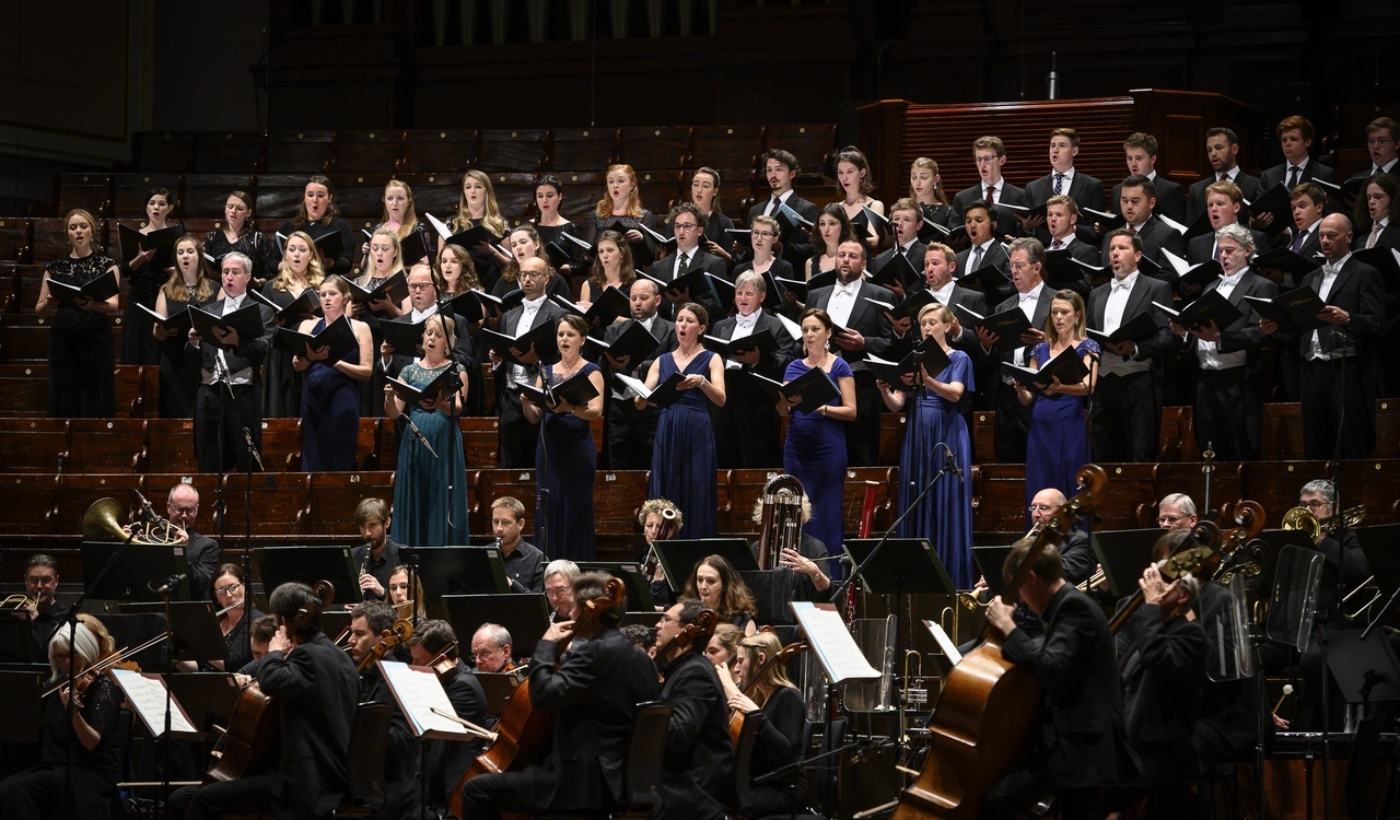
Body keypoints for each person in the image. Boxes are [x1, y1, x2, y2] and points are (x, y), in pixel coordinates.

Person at [458, 571, 662, 819]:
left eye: (574, 607)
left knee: (476, 790)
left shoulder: (593, 653)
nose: (570, 614)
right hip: (624, 780)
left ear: (588, 610)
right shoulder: (642, 659)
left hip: (582, 783)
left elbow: (543, 696)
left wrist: (546, 646)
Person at [171, 581, 359, 820]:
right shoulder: (339, 657)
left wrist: (274, 653)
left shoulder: (307, 654)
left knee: (206, 798)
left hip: (306, 781)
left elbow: (271, 681)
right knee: (193, 796)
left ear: (283, 621)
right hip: (332, 774)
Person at [981, 541, 1137, 820]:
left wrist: (1008, 626)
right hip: (1070, 741)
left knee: (999, 800)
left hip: (1085, 747)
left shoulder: (1073, 607)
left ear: (1030, 578)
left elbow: (1052, 668)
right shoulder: (1063, 606)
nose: (1021, 600)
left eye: (1019, 590)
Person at [1260, 213, 1385, 459]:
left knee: (1351, 440)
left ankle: (1352, 496)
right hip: (1312, 369)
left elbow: (1377, 323)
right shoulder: (1311, 277)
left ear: (1348, 237)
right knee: (1316, 443)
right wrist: (1275, 328)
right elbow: (1300, 327)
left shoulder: (1364, 273)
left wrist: (1347, 317)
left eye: (1332, 236)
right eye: (1321, 236)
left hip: (1346, 368)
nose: (1325, 241)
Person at [878, 303, 975, 588]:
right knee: (917, 495)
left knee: (946, 500)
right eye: (923, 324)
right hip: (918, 433)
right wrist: (886, 389)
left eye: (933, 322)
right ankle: (916, 578)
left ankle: (950, 577)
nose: (927, 328)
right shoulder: (914, 359)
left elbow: (956, 394)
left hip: (947, 432)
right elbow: (897, 404)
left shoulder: (959, 357)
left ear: (947, 325)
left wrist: (927, 380)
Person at [1170, 224, 1277, 461]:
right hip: (1206, 381)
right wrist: (1184, 332)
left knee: (1239, 447)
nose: (1224, 256)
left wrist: (1220, 338)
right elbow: (1200, 330)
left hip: (1237, 381)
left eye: (1230, 250)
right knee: (1210, 449)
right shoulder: (1212, 286)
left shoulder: (1261, 285)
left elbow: (1262, 333)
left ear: (1248, 251)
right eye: (1220, 251)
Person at [0, 622, 122, 818]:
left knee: (14, 791)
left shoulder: (103, 686)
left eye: (71, 655)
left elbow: (91, 743)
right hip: (55, 767)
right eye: (60, 657)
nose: (66, 662)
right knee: (5, 788)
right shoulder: (57, 684)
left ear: (86, 649)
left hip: (89, 773)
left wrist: (73, 713)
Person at [1118, 565, 1207, 818]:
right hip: (1137, 751)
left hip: (1162, 759)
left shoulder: (1191, 634)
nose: (1153, 586)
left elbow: (1156, 657)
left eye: (1165, 583)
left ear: (1183, 596)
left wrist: (1151, 609)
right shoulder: (1153, 633)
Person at [520, 315, 604, 561]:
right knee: (548, 506)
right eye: (561, 335)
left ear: (583, 339)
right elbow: (534, 417)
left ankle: (576, 567)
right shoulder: (546, 371)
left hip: (577, 448)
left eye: (570, 335)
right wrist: (526, 402)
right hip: (549, 448)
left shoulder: (592, 370)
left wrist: (568, 408)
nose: (564, 339)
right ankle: (547, 568)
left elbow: (596, 411)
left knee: (574, 508)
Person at [805, 240, 896, 466]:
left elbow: (892, 343)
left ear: (863, 264)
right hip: (822, 381)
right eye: (841, 255)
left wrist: (864, 343)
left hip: (862, 383)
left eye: (852, 256)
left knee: (861, 449)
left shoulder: (882, 295)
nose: (845, 259)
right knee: (822, 449)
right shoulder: (816, 295)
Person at [1088, 229, 1175, 463]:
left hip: (1138, 383)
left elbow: (1167, 336)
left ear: (1138, 255)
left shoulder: (1157, 288)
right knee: (1105, 452)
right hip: (1104, 384)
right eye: (1112, 248)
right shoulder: (1097, 293)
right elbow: (1089, 333)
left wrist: (1136, 348)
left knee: (1139, 452)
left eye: (1122, 248)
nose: (1115, 253)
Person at [641, 302, 726, 538]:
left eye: (689, 321)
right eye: (679, 320)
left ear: (701, 328)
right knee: (666, 488)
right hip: (668, 427)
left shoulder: (712, 358)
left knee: (696, 488)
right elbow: (642, 399)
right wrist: (638, 394)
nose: (682, 325)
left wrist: (702, 382)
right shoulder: (662, 360)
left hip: (697, 428)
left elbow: (721, 399)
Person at [385, 313, 469, 546]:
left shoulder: (456, 369)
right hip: (414, 438)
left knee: (443, 495)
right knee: (415, 495)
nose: (431, 338)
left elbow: (458, 407)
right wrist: (390, 398)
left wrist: (440, 403)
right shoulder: (409, 372)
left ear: (448, 343)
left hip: (445, 439)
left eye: (438, 335)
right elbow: (394, 413)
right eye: (428, 333)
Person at [778, 308, 856, 563]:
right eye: (805, 330)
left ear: (829, 333)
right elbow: (782, 411)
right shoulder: (793, 367)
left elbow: (851, 411)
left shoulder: (840, 365)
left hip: (828, 447)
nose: (809, 335)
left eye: (815, 329)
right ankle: (799, 578)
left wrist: (820, 407)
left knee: (828, 512)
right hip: (797, 447)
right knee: (799, 512)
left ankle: (829, 579)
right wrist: (782, 399)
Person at [186, 252, 275, 473]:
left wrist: (238, 342)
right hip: (209, 395)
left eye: (235, 272)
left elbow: (263, 348)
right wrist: (193, 343)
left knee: (246, 460)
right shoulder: (208, 311)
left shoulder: (261, 311)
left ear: (247, 276)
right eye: (225, 272)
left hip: (242, 394)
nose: (229, 277)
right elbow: (191, 359)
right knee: (209, 459)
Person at [653, 598, 737, 820]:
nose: (657, 625)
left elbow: (678, 735)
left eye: (666, 619)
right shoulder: (682, 669)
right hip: (681, 786)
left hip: (691, 794)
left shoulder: (695, 673)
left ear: (687, 630)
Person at [1018, 290, 1098, 522]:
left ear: (1077, 316)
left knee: (1071, 482)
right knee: (1039, 481)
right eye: (1055, 312)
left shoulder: (1087, 346)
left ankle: (1073, 544)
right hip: (1041, 424)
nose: (1059, 317)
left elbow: (1089, 385)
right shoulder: (1040, 349)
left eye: (1065, 312)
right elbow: (1028, 399)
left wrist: (1060, 388)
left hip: (1069, 422)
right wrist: (1022, 389)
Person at [35, 209, 119, 418]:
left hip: (96, 339)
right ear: (68, 234)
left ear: (92, 230)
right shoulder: (55, 268)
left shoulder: (107, 265)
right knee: (65, 395)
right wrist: (49, 302)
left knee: (95, 396)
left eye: (83, 226)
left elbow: (113, 305)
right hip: (64, 340)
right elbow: (39, 312)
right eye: (73, 228)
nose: (79, 231)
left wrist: (92, 306)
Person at [977, 237, 1054, 463]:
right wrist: (986, 345)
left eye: (1019, 265)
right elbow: (994, 357)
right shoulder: (1004, 306)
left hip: (1040, 393)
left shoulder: (1057, 302)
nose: (1013, 271)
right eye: (1011, 265)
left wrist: (1046, 340)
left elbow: (1073, 343)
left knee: (1041, 457)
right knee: (1006, 458)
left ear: (1037, 267)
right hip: (1007, 395)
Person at [711, 272, 799, 468]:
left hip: (758, 404)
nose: (743, 298)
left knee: (757, 461)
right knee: (723, 460)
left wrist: (758, 360)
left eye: (749, 294)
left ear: (762, 296)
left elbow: (785, 361)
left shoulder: (776, 326)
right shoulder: (720, 326)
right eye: (739, 293)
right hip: (725, 404)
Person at [404, 619, 488, 816]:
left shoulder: (463, 686)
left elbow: (437, 743)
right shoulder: (440, 678)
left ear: (441, 658)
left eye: (419, 661)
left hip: (451, 787)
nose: (412, 666)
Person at [348, 601, 420, 820]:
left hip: (387, 793)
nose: (351, 641)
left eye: (359, 634)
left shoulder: (397, 680)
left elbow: (401, 742)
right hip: (365, 784)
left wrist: (356, 719)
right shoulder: (364, 677)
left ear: (384, 636)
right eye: (352, 633)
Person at [493, 256, 568, 468]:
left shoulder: (558, 314)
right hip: (511, 396)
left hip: (540, 397)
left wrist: (536, 360)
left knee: (540, 461)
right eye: (523, 274)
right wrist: (498, 359)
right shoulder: (509, 315)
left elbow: (563, 357)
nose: (527, 279)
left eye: (533, 274)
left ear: (546, 278)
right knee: (511, 463)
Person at [293, 275, 373, 470]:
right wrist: (312, 357)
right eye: (323, 295)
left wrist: (335, 362)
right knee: (313, 457)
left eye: (332, 294)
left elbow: (367, 371)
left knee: (341, 456)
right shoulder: (308, 326)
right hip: (314, 397)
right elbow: (297, 364)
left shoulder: (361, 328)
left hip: (343, 399)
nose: (327, 299)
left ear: (345, 298)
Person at [723, 631, 807, 816]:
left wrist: (756, 715)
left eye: (741, 661)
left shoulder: (789, 696)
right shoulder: (760, 698)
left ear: (761, 659)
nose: (736, 669)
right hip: (759, 784)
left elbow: (786, 751)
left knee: (723, 805)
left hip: (785, 791)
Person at [602, 278, 675, 470]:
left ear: (657, 300)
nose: (637, 303)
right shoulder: (614, 330)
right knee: (619, 467)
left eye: (643, 298)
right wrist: (610, 364)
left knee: (653, 467)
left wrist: (639, 366)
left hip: (653, 410)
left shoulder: (671, 330)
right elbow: (603, 368)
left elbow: (674, 364)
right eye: (633, 298)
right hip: (620, 409)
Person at [261, 229, 326, 418]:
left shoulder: (322, 286)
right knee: (282, 406)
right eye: (292, 249)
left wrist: (316, 319)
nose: (297, 254)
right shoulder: (272, 287)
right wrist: (274, 321)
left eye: (302, 249)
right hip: (281, 353)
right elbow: (261, 325)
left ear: (311, 255)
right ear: (286, 254)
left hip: (312, 352)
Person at [153, 235, 218, 417]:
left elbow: (222, 326)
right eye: (180, 253)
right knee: (174, 413)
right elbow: (157, 333)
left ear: (199, 256)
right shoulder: (166, 290)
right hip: (174, 361)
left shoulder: (216, 289)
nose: (185, 256)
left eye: (190, 251)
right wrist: (163, 328)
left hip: (205, 361)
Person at [122, 187, 180, 366]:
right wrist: (140, 259)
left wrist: (166, 267)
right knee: (136, 347)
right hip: (138, 298)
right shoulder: (135, 236)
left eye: (161, 204)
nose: (156, 207)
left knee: (159, 350)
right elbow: (125, 270)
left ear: (169, 208)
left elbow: (185, 273)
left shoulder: (175, 238)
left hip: (163, 297)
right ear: (146, 207)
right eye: (152, 203)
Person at [746, 494, 832, 601]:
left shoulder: (815, 547)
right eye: (777, 513)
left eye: (789, 514)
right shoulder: (757, 547)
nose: (784, 519)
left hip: (801, 613)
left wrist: (813, 572)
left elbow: (826, 593)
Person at [1023, 128, 1106, 239]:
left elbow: (1099, 230)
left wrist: (1072, 229)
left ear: (1074, 151)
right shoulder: (1033, 188)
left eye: (1062, 146)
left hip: (1078, 251)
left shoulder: (1092, 186)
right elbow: (1021, 229)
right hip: (1042, 251)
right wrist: (1028, 228)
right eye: (1053, 145)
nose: (1055, 150)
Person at [747, 149, 820, 271]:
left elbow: (813, 249)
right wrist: (742, 249)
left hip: (788, 274)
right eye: (769, 170)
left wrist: (781, 247)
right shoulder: (755, 210)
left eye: (779, 169)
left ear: (792, 174)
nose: (773, 175)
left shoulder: (807, 209)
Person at [652, 203, 729, 318]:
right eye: (677, 226)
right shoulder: (659, 266)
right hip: (666, 330)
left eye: (687, 226)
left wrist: (688, 302)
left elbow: (719, 306)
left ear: (700, 230)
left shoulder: (714, 264)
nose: (681, 232)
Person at [277, 174, 356, 276]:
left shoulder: (339, 226)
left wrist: (327, 262)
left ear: (329, 198)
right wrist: (288, 263)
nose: (315, 200)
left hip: (326, 282)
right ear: (304, 198)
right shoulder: (289, 226)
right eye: (310, 195)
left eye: (320, 195)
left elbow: (346, 263)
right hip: (294, 282)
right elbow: (273, 264)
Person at [582, 164, 659, 268]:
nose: (615, 185)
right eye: (611, 181)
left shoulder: (644, 216)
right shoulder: (597, 216)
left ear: (632, 184)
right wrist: (587, 256)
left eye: (621, 181)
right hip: (604, 276)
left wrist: (641, 240)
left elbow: (648, 261)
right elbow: (589, 255)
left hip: (632, 276)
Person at [1107, 175, 1186, 272]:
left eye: (1135, 201)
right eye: (1124, 201)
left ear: (1151, 203)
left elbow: (1169, 277)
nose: (1129, 206)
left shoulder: (1167, 236)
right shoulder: (1110, 237)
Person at [1185, 128, 1261, 226]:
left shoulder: (1255, 185)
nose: (1213, 153)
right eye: (1209, 150)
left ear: (1234, 149)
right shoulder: (1196, 190)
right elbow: (1190, 231)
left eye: (1218, 148)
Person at [952, 135, 1028, 232]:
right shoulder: (962, 198)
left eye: (988, 159)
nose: (982, 165)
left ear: (1002, 160)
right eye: (979, 159)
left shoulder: (1020, 196)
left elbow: (1025, 232)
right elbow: (954, 232)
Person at [1186, 181, 1273, 265]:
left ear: (1236, 207)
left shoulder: (1256, 239)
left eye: (1220, 204)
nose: (1214, 209)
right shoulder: (1196, 244)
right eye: (1210, 205)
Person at [1257, 116, 1339, 203]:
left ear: (1307, 142)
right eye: (1284, 140)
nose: (1287, 144)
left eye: (1293, 139)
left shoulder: (1325, 175)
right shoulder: (1268, 176)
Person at [161, 482, 220, 601]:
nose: (184, 515)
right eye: (179, 509)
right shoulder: (150, 541)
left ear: (197, 510)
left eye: (190, 510)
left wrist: (181, 552)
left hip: (188, 610)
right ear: (168, 507)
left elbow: (201, 585)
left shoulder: (208, 546)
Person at [1110, 133, 1186, 223]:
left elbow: (1177, 231)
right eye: (1129, 158)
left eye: (1139, 158)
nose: (1133, 164)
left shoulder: (1170, 190)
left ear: (1152, 159)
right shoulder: (1118, 190)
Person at [1026, 488, 1094, 586]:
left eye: (1043, 508)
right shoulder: (1026, 542)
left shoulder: (1080, 540)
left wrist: (1024, 562)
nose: (1035, 514)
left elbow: (1063, 572)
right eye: (1033, 508)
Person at [204, 190, 273, 287]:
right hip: (218, 290)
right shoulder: (212, 237)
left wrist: (258, 282)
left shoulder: (258, 239)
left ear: (248, 213)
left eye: (239, 209)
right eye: (230, 207)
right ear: (225, 209)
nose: (233, 211)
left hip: (248, 292)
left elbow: (269, 275)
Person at [732, 215, 795, 318]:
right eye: (755, 233)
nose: (759, 238)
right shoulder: (739, 269)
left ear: (775, 238)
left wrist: (764, 311)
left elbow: (786, 304)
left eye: (765, 234)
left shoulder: (784, 267)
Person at [493, 223, 571, 301]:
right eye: (514, 245)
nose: (518, 248)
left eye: (523, 242)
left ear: (536, 244)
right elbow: (493, 310)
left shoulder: (556, 281)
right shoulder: (505, 281)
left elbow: (567, 311)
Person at [682, 555, 757, 634]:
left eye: (711, 581)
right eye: (700, 580)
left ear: (724, 585)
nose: (703, 587)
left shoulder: (742, 620)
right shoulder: (687, 615)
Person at [212, 563, 264, 673]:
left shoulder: (256, 620)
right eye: (221, 591)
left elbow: (233, 664)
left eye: (233, 587)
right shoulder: (215, 621)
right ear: (216, 597)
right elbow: (197, 667)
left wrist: (197, 650)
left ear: (244, 586)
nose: (229, 595)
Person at [372, 179, 435, 268]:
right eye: (390, 198)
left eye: (400, 198)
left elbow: (426, 263)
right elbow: (366, 267)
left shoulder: (418, 229)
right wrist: (365, 253)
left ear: (408, 202)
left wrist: (396, 268)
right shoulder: (377, 230)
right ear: (384, 201)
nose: (394, 203)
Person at [349, 497, 402, 602]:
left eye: (372, 525)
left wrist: (383, 592)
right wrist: (343, 606)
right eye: (362, 527)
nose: (367, 533)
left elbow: (412, 602)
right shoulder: (351, 557)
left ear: (386, 523)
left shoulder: (403, 555)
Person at [490, 496, 546, 594]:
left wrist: (511, 584)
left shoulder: (537, 558)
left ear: (520, 524)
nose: (499, 529)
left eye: (506, 523)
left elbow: (540, 602)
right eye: (495, 522)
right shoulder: (483, 555)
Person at [872, 197, 928, 294]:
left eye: (907, 219)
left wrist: (903, 296)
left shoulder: (927, 254)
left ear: (919, 225)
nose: (899, 224)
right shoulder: (879, 259)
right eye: (896, 219)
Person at [833, 146, 885, 249]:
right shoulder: (836, 207)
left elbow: (873, 241)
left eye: (850, 172)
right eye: (840, 172)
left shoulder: (875, 205)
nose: (844, 178)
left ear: (862, 173)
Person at [530, 175, 583, 275]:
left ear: (560, 196)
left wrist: (556, 268)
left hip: (559, 282)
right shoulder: (528, 227)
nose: (544, 200)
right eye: (540, 196)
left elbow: (581, 266)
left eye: (549, 196)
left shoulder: (571, 228)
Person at [578, 230, 636, 320]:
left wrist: (601, 314)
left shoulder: (634, 286)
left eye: (610, 250)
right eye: (601, 251)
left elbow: (638, 323)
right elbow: (583, 322)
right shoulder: (588, 285)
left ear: (622, 253)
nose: (605, 255)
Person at [686, 166, 736, 268]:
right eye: (695, 185)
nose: (699, 190)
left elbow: (733, 264)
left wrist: (722, 253)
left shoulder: (724, 223)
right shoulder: (678, 220)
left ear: (715, 191)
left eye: (705, 186)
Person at [22, 554, 68, 659]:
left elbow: (51, 660)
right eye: (33, 580)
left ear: (56, 581)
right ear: (25, 580)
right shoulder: (17, 614)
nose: (39, 586)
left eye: (46, 580)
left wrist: (28, 630)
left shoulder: (65, 618)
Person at [805, 203, 859, 281]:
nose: (826, 229)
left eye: (832, 223)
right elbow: (809, 293)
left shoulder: (854, 260)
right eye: (822, 224)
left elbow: (861, 291)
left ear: (843, 226)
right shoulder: (810, 263)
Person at [909, 156, 961, 232]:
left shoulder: (947, 211)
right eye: (914, 177)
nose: (918, 183)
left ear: (936, 179)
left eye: (924, 177)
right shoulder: (902, 209)